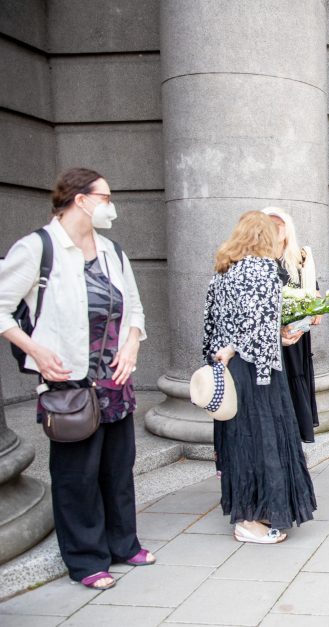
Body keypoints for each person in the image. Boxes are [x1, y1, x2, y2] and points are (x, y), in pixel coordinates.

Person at [0, 168, 151, 589]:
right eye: (106, 197)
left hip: (115, 379)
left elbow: (135, 308)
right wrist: (35, 349)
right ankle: (86, 560)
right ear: (81, 199)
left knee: (118, 468)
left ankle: (123, 542)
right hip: (68, 381)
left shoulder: (111, 251)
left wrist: (132, 345)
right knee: (77, 475)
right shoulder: (39, 248)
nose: (111, 206)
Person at [203, 211, 317, 544]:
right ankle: (251, 521)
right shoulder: (265, 269)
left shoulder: (222, 273)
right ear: (265, 238)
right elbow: (258, 326)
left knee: (241, 441)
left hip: (233, 369)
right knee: (266, 438)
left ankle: (252, 511)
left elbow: (211, 328)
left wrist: (226, 353)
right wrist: (280, 339)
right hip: (260, 371)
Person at [261, 207, 320, 443]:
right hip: (271, 339)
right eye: (269, 223)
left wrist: (317, 312)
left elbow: (313, 292)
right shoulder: (259, 262)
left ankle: (294, 443)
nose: (275, 228)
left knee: (296, 383)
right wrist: (277, 331)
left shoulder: (298, 259)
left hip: (297, 337)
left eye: (279, 224)